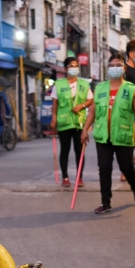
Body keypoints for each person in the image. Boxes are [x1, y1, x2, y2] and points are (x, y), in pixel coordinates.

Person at [81, 54, 135, 214]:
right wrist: (85, 130)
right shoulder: (99, 88)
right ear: (108, 68)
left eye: (118, 64)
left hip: (122, 135)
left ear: (124, 68)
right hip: (103, 135)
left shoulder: (131, 89)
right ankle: (105, 202)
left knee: (126, 167)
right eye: (111, 65)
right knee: (104, 169)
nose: (114, 68)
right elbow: (92, 111)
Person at [50, 56, 92, 187]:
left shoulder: (84, 84)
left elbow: (90, 100)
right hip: (64, 122)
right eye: (71, 66)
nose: (74, 68)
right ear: (65, 69)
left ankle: (79, 177)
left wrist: (81, 106)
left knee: (79, 151)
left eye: (76, 66)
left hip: (79, 122)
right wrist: (53, 119)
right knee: (65, 150)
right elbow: (55, 103)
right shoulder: (58, 84)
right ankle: (65, 177)